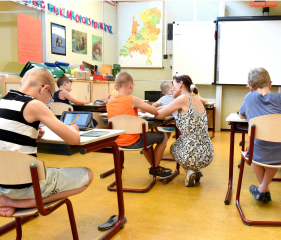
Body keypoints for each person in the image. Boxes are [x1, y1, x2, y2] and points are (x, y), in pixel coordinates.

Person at [0, 68, 93, 217]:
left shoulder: (3, 100)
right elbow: (74, 139)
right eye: (49, 99)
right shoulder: (34, 104)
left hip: (2, 183)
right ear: (45, 88)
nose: (48, 103)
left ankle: (9, 199)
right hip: (25, 186)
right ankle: (13, 202)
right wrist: (74, 128)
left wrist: (34, 134)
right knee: (87, 174)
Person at [239, 67, 281, 203]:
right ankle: (263, 189)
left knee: (252, 151)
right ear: (270, 83)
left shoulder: (248, 98)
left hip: (257, 153)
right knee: (273, 147)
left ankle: (262, 189)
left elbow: (241, 115)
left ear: (250, 87)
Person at [107, 72, 172, 179]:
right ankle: (155, 168)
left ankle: (154, 168)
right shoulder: (132, 99)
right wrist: (159, 108)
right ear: (132, 85)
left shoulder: (109, 101)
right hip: (133, 141)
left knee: (146, 136)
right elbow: (154, 110)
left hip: (115, 142)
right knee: (163, 136)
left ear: (115, 86)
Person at [155, 75, 214, 187]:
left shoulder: (182, 99)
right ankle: (197, 170)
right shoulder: (197, 100)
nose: (171, 88)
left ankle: (189, 171)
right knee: (185, 142)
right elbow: (169, 108)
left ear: (181, 84)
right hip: (207, 153)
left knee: (173, 147)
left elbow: (159, 116)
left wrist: (149, 110)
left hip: (191, 154)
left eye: (173, 84)